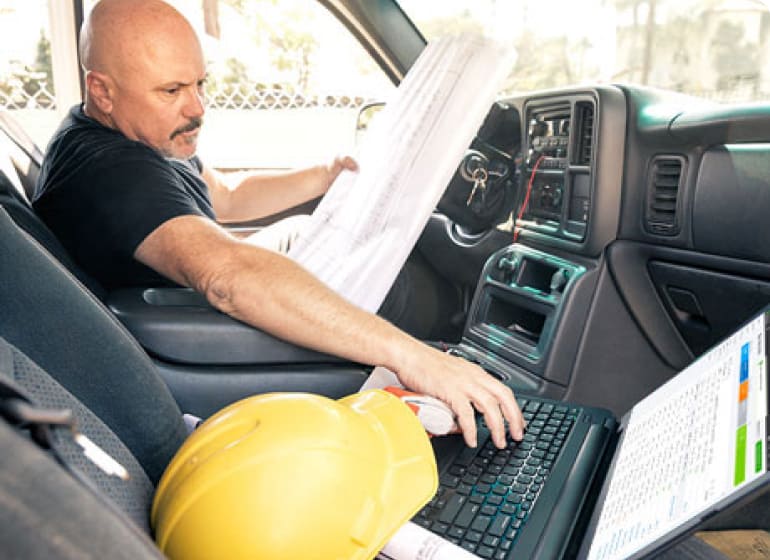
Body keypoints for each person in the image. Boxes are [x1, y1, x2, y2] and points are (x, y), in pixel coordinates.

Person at [33, 0, 524, 449]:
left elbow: (223, 195)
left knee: (305, 233)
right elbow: (226, 277)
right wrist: (418, 358)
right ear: (102, 91)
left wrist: (325, 176)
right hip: (194, 344)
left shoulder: (146, 136)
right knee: (408, 292)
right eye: (172, 90)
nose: (197, 108)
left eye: (200, 84)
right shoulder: (111, 171)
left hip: (195, 313)